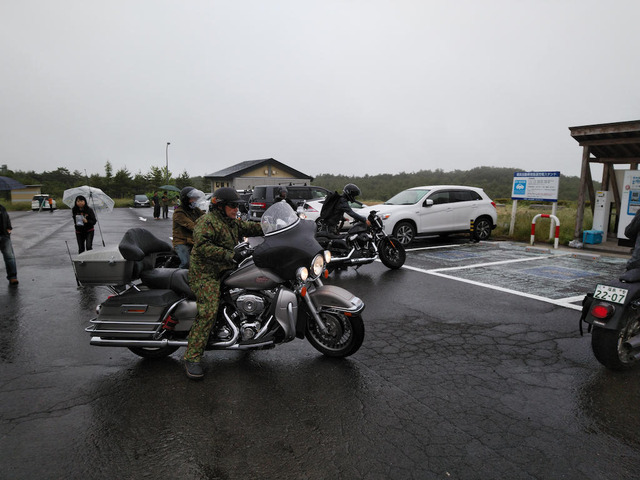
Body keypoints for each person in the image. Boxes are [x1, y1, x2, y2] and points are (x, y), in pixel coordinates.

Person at [183, 187, 263, 380]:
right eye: (233, 206)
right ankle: (192, 357)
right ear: (220, 206)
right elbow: (202, 247)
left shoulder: (230, 222)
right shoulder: (207, 221)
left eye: (238, 206)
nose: (236, 209)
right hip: (206, 273)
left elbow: (249, 227)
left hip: (225, 269)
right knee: (208, 311)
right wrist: (230, 254)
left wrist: (274, 226)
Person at [172, 187, 205, 269]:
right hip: (182, 242)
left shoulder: (195, 210)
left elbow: (206, 218)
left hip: (194, 241)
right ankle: (177, 278)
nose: (194, 201)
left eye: (195, 199)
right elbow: (192, 226)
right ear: (185, 199)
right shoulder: (179, 212)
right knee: (186, 263)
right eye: (192, 199)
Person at [0, 203, 18, 285]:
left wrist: (9, 228)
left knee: (9, 257)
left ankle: (12, 277)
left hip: (4, 235)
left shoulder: (1, 208)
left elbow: (6, 217)